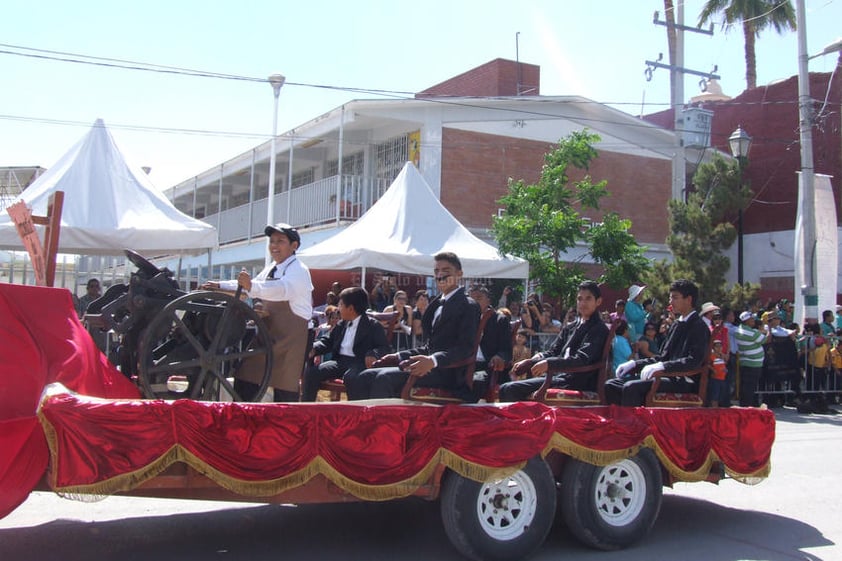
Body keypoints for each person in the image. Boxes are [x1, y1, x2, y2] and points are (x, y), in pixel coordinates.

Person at [344, 252, 479, 400]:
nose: (440, 275)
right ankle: (362, 421)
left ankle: (383, 422)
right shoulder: (436, 304)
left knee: (384, 378)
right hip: (425, 367)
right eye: (436, 272)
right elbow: (430, 347)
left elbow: (466, 349)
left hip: (449, 373)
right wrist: (397, 356)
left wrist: (433, 361)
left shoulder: (468, 306)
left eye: (446, 271)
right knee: (363, 377)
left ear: (459, 274)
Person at [202, 223, 313, 402]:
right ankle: (244, 417)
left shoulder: (299, 270)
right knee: (246, 375)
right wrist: (220, 285)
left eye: (280, 241)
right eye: (272, 241)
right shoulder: (271, 268)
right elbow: (249, 286)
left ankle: (286, 426)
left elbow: (281, 289)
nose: (274, 246)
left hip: (293, 339)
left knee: (286, 386)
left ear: (294, 246)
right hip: (269, 334)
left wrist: (251, 286)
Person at [605, 279, 709, 407]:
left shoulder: (699, 326)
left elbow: (693, 361)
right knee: (611, 385)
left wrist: (664, 367)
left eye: (675, 298)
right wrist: (634, 364)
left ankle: (636, 426)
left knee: (631, 387)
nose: (671, 302)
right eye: (670, 298)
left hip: (684, 380)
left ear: (688, 299)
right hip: (667, 376)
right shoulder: (677, 324)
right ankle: (618, 425)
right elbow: (663, 358)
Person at [498, 280, 608, 402]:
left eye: (588, 298)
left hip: (576, 380)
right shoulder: (570, 327)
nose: (583, 303)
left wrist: (548, 364)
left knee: (510, 389)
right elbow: (553, 351)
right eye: (579, 299)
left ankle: (517, 421)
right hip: (558, 376)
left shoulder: (599, 329)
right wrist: (533, 360)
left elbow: (582, 360)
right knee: (504, 387)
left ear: (598, 301)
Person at [301, 287, 391, 401]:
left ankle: (355, 413)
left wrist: (372, 353)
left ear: (351, 308)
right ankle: (307, 410)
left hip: (360, 363)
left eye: (341, 305)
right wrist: (314, 348)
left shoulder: (372, 326)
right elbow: (327, 341)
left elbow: (383, 347)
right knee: (312, 373)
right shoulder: (341, 324)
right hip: (340, 362)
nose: (338, 309)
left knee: (351, 378)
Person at [469, 285, 513, 390]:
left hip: (487, 366)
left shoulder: (499, 320)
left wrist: (499, 357)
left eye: (478, 298)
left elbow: (506, 350)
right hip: (465, 364)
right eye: (471, 299)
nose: (474, 302)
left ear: (488, 301)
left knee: (475, 382)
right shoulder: (464, 320)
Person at [733, 311, 768, 407]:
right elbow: (766, 340)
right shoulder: (750, 333)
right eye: (751, 319)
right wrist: (770, 330)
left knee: (746, 386)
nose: (753, 321)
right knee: (749, 387)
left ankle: (745, 405)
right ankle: (746, 406)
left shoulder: (739, 330)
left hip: (746, 362)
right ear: (746, 320)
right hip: (753, 364)